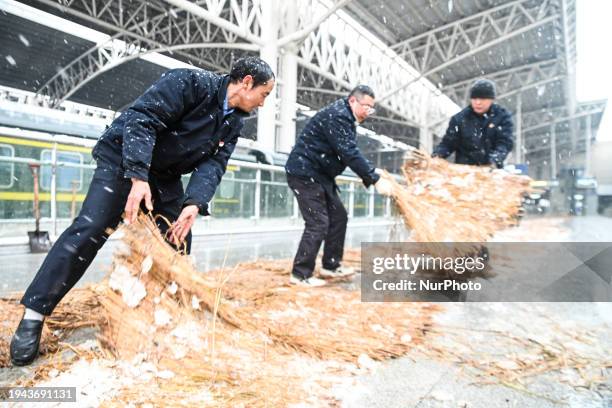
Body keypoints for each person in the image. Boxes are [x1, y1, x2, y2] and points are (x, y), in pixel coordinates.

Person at [10, 57, 275, 366]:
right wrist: (137, 176)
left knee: (177, 240)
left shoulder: (233, 122)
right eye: (265, 94)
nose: (263, 103)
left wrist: (193, 203)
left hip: (164, 175)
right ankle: (34, 315)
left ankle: (165, 312)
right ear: (246, 83)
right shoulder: (189, 83)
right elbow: (141, 119)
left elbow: (214, 164)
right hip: (123, 159)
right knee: (90, 229)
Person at [285, 85, 393, 287]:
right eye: (366, 106)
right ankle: (300, 274)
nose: (368, 112)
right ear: (353, 101)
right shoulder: (339, 116)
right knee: (318, 223)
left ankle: (331, 265)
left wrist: (372, 174)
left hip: (320, 175)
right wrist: (374, 178)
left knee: (338, 217)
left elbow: (347, 151)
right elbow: (348, 151)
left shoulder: (346, 117)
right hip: (305, 173)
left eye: (371, 108)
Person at [432, 79, 514, 168]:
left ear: (491, 99)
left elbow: (504, 143)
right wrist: (437, 155)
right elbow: (448, 143)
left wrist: (494, 160)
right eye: (474, 98)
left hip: (491, 171)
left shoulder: (502, 117)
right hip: (464, 172)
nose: (478, 102)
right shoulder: (459, 119)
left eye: (482, 98)